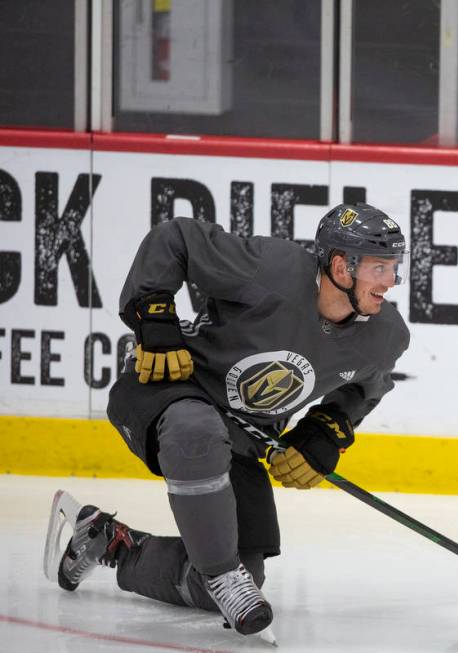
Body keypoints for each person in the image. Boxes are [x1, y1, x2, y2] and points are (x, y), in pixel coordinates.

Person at [43, 202, 410, 638]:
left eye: (393, 268)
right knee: (197, 433)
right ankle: (221, 572)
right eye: (379, 268)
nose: (389, 282)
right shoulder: (270, 269)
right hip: (168, 390)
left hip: (238, 440)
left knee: (234, 580)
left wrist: (323, 432)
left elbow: (365, 388)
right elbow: (175, 239)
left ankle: (108, 540)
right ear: (340, 266)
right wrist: (154, 315)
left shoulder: (386, 335)